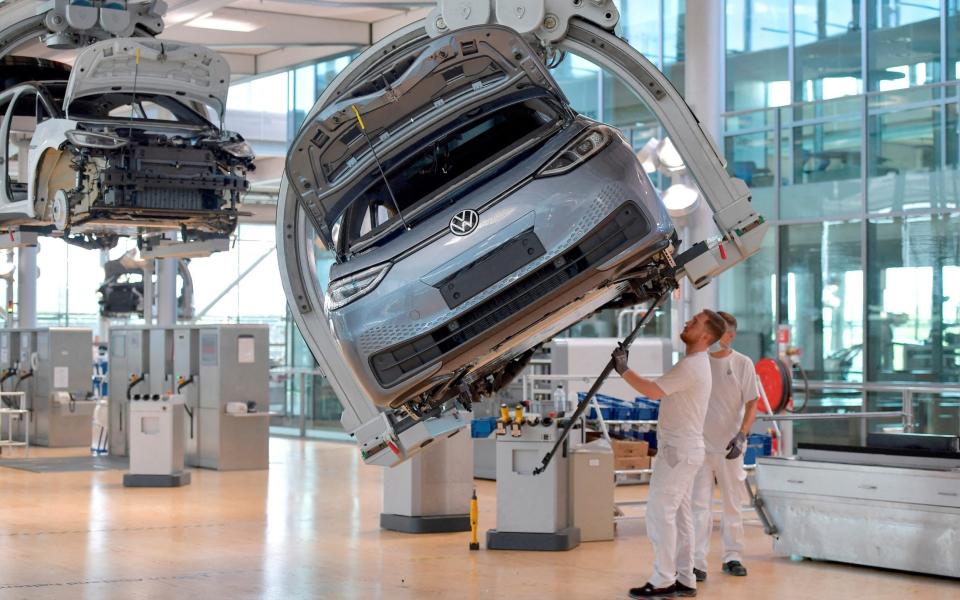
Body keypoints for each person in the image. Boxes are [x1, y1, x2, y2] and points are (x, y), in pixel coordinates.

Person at [612, 309, 728, 599]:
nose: (688, 322)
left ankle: (663, 579)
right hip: (685, 449)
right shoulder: (694, 363)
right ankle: (685, 578)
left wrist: (623, 369)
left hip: (678, 452)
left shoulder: (692, 366)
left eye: (695, 322)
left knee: (659, 512)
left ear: (705, 336)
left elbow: (652, 391)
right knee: (678, 515)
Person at [690, 311, 759, 581]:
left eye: (725, 333)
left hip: (731, 445)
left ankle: (733, 556)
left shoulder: (742, 363)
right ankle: (697, 562)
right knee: (699, 505)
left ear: (730, 335)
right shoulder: (698, 363)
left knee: (732, 502)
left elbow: (753, 402)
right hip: (701, 446)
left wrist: (742, 435)